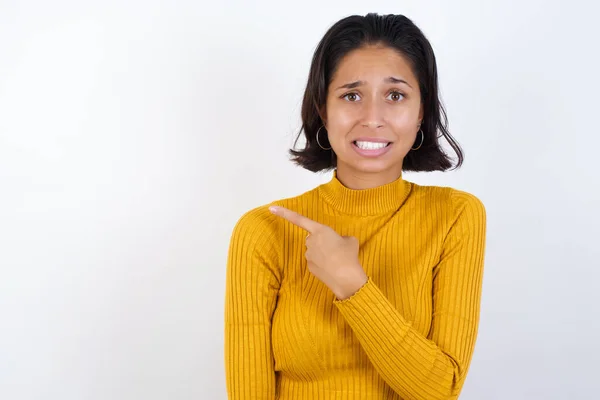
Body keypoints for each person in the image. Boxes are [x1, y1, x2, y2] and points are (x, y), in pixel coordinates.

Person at [224, 13, 487, 400]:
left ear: (421, 112)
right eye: (351, 95)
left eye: (395, 95)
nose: (372, 118)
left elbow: (440, 390)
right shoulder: (264, 230)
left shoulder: (455, 216)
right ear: (322, 110)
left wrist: (352, 284)